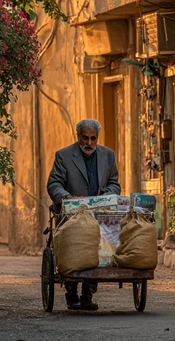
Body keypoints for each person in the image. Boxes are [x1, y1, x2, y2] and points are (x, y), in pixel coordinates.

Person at [47, 119, 121, 311]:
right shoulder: (63, 156)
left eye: (93, 139)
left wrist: (108, 194)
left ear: (97, 138)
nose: (89, 143)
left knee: (99, 249)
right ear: (78, 136)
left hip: (99, 212)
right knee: (75, 248)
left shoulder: (108, 155)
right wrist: (66, 197)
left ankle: (88, 295)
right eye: (85, 138)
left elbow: (114, 182)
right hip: (73, 213)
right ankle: (71, 292)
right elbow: (54, 184)